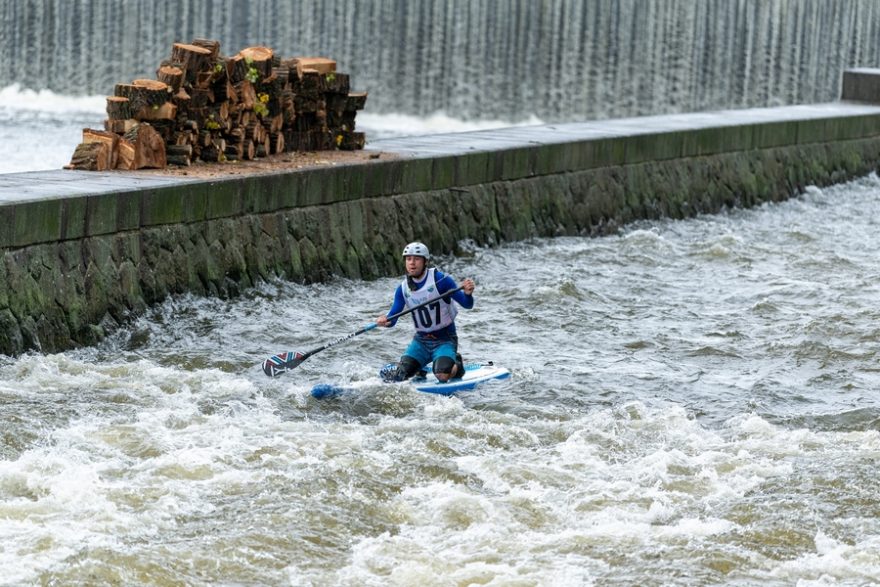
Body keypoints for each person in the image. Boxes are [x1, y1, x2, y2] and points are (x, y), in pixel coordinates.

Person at [377, 241, 476, 383]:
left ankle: (457, 364)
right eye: (408, 259)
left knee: (442, 375)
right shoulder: (403, 289)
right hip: (421, 341)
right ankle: (421, 367)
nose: (412, 263)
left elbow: (467, 304)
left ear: (425, 262)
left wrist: (468, 294)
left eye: (416, 259)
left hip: (445, 339)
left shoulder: (441, 281)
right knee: (399, 376)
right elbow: (392, 318)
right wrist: (384, 320)